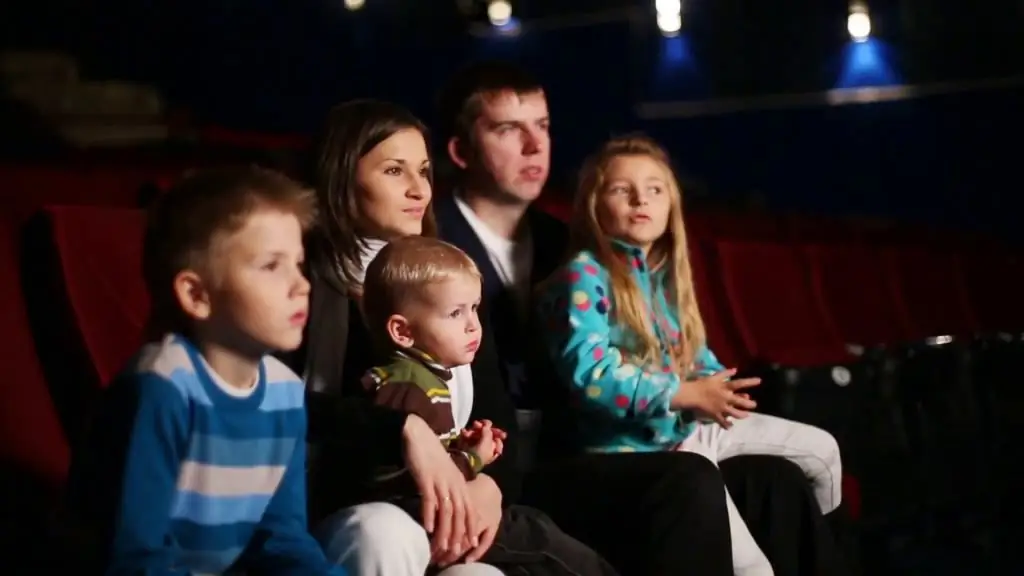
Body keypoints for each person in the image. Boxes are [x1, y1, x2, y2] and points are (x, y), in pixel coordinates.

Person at [433, 59, 849, 576]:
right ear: (461, 151)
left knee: (776, 480)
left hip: (589, 438)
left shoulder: (564, 240)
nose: (535, 145)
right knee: (688, 478)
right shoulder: (435, 244)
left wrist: (710, 388)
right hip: (518, 460)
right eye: (508, 129)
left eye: (542, 126)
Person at [294, 99, 612, 576]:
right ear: (342, 178)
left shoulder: (443, 281)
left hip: (444, 512)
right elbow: (281, 404)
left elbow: (493, 420)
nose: (418, 188)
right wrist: (404, 429)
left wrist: (488, 488)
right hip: (343, 507)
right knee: (382, 533)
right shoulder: (301, 282)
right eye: (394, 171)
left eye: (423, 170)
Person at [536, 134, 844, 576]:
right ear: (593, 204)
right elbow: (593, 377)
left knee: (823, 452)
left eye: (655, 189)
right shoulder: (584, 275)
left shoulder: (662, 275)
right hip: (636, 448)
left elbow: (693, 354)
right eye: (622, 189)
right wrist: (682, 394)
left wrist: (719, 385)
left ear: (671, 205)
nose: (641, 199)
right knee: (755, 570)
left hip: (688, 425)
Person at [65, 167, 344, 575]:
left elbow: (280, 539)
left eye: (299, 264)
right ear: (197, 295)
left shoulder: (284, 393)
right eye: (271, 266)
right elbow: (134, 557)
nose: (301, 285)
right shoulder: (161, 388)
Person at [357, 236, 619, 574]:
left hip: (436, 513)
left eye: (474, 308)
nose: (472, 325)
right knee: (553, 548)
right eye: (454, 313)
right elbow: (413, 477)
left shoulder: (425, 377)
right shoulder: (408, 385)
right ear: (402, 331)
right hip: (424, 519)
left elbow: (435, 453)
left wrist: (464, 446)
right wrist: (474, 458)